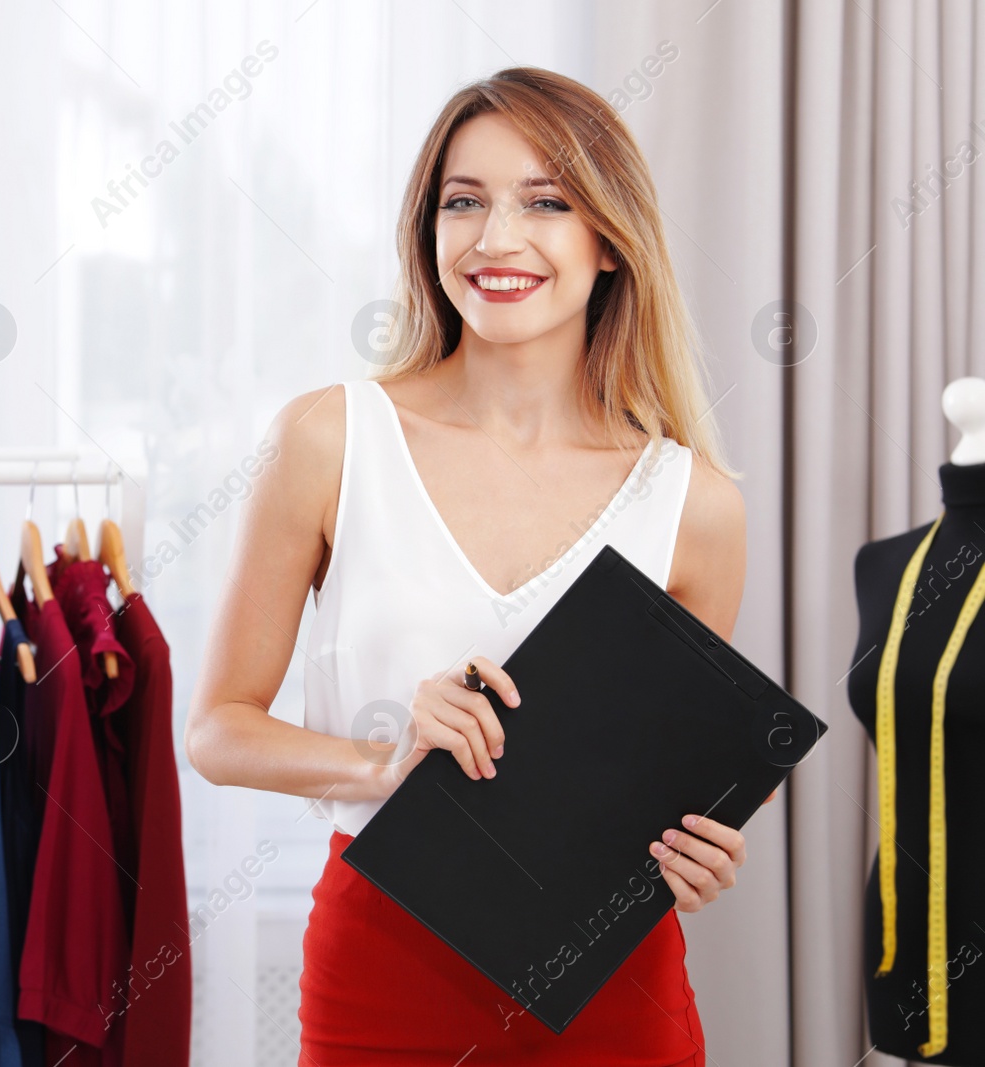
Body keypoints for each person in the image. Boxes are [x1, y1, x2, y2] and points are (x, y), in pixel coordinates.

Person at [184, 66, 758, 1065]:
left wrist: (693, 855)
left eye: (545, 201)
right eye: (464, 202)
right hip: (380, 968)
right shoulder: (330, 438)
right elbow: (218, 729)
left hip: (611, 989)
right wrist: (379, 758)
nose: (496, 238)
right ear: (428, 232)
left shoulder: (694, 503)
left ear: (609, 239)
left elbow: (661, 784)